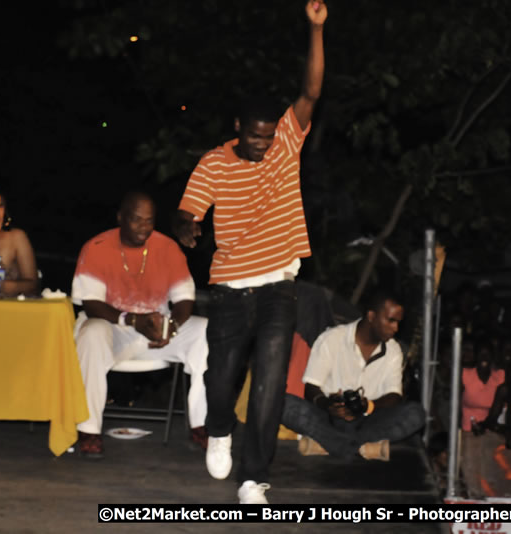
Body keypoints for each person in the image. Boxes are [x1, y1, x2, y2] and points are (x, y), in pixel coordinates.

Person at [173, 0, 327, 504]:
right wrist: (187, 229)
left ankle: (254, 476)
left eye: (268, 138)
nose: (263, 148)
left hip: (279, 284)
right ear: (239, 126)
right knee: (221, 377)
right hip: (231, 287)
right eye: (255, 138)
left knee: (269, 383)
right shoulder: (214, 164)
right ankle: (219, 429)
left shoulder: (287, 139)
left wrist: (315, 29)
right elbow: (187, 211)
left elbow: (310, 90)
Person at [71, 192, 209, 458]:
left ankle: (201, 426)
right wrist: (133, 320)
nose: (143, 228)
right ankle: (89, 431)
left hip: (156, 330)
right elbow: (91, 304)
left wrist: (170, 327)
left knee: (204, 330)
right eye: (136, 220)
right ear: (121, 218)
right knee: (91, 332)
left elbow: (184, 300)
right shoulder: (97, 247)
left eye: (149, 221)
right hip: (114, 329)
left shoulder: (167, 248)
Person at [280, 292, 424, 461]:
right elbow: (311, 386)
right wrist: (329, 405)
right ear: (371, 316)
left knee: (416, 413)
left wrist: (368, 406)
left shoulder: (393, 350)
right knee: (282, 403)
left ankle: (329, 444)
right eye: (391, 321)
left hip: (368, 420)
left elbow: (394, 396)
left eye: (398, 322)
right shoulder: (332, 338)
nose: (396, 328)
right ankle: (362, 447)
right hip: (330, 417)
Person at [461, 339, 505, 431]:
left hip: (492, 430)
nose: (484, 357)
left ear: (492, 356)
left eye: (487, 354)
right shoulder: (464, 374)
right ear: (475, 356)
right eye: (481, 354)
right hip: (467, 430)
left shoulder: (500, 376)